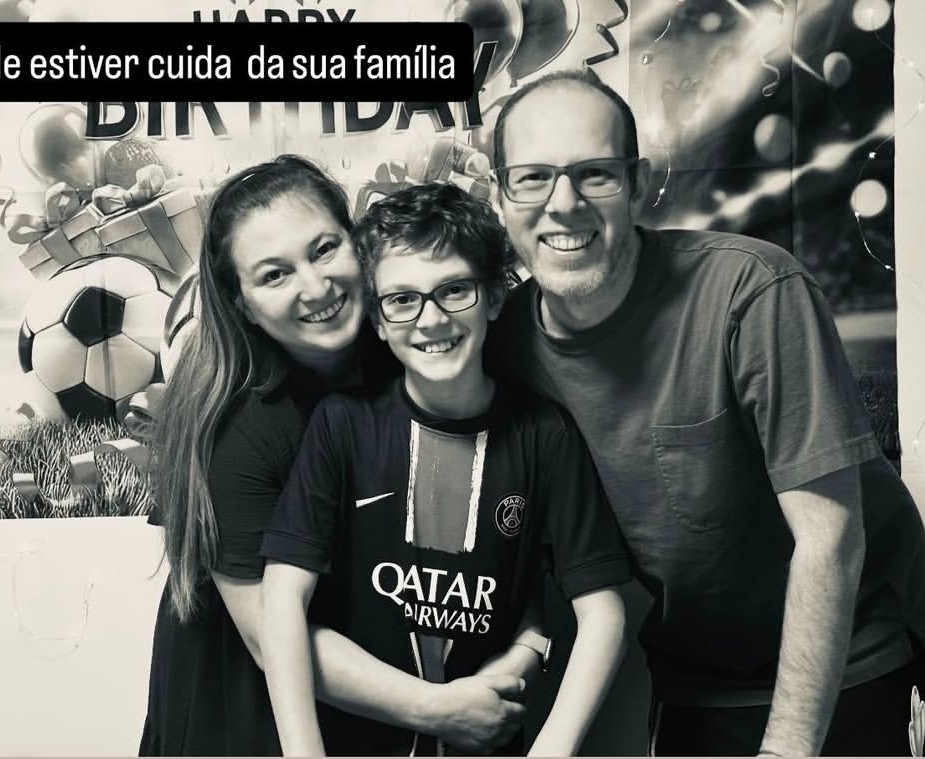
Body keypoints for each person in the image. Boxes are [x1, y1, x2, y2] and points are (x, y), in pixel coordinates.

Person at [486, 66, 925, 756]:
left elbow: (830, 537)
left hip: (851, 662)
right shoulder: (506, 345)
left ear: (637, 185)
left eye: (595, 174)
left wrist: (785, 749)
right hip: (698, 684)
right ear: (500, 198)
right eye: (533, 177)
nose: (563, 203)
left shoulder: (752, 290)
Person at [139, 155, 532, 757]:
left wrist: (522, 649)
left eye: (324, 250)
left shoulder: (412, 353)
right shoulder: (238, 426)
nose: (315, 287)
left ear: (358, 242)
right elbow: (269, 636)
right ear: (241, 302)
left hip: (373, 702)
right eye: (274, 275)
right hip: (244, 710)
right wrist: (439, 708)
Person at [259, 182, 633, 756]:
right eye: (402, 299)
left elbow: (603, 613)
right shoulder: (344, 425)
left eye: (454, 290)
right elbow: (283, 597)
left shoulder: (545, 434)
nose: (431, 320)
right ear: (377, 320)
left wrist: (551, 749)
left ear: (494, 296)